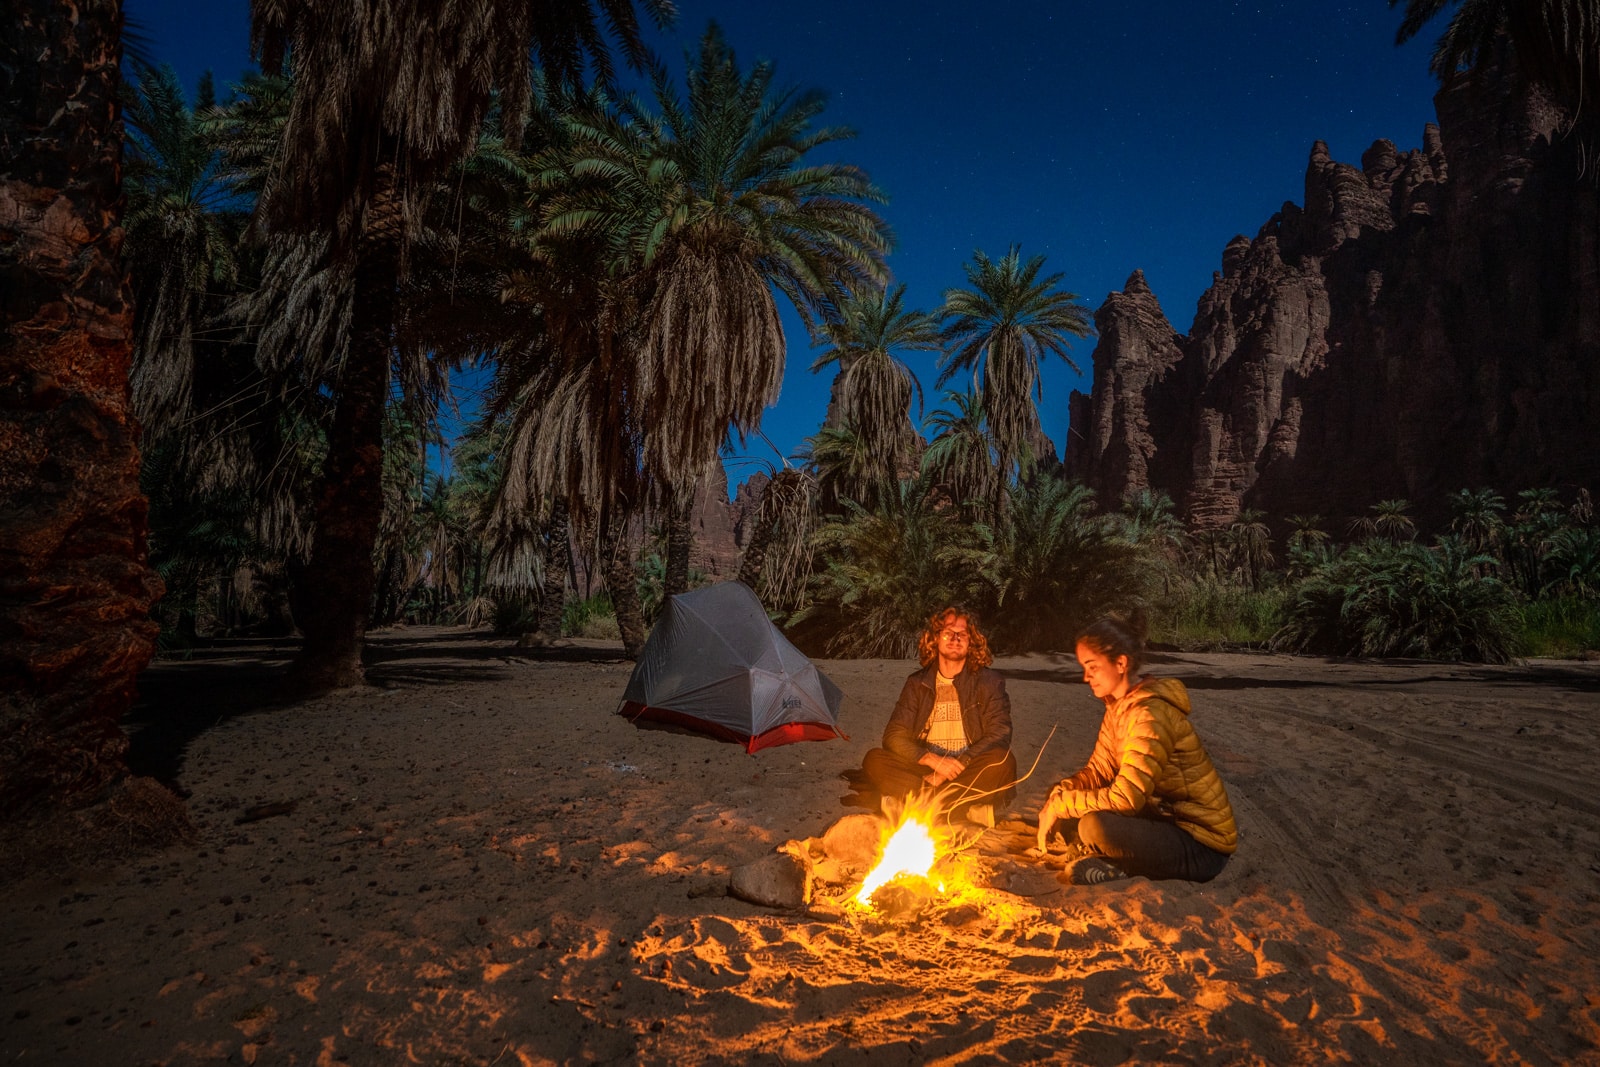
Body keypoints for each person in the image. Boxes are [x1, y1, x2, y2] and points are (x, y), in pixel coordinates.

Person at [1036, 610, 1237, 885]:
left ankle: (1118, 863)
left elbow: (1126, 800)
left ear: (1120, 663)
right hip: (1160, 818)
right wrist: (1062, 794)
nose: (1086, 677)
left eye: (1092, 666)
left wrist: (1064, 806)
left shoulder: (1149, 715)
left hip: (1200, 843)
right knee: (1062, 794)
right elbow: (1099, 770)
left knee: (1093, 826)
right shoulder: (1118, 708)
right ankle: (1108, 857)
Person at [856, 606, 1018, 827]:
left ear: (972, 641)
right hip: (926, 771)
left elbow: (1000, 732)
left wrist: (955, 766)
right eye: (948, 632)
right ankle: (962, 809)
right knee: (874, 759)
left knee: (1002, 761)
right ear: (936, 639)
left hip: (966, 768)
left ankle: (918, 806)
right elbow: (894, 735)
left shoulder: (988, 682)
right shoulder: (917, 683)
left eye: (963, 634)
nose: (955, 638)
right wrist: (933, 761)